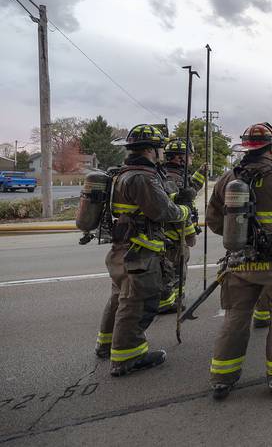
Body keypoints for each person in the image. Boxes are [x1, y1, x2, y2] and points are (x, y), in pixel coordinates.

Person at [206, 122, 272, 400]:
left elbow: (215, 222)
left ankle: (222, 378)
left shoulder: (228, 180)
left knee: (236, 316)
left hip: (239, 263)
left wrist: (240, 237)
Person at [94, 124, 193, 376]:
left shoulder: (122, 173)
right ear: (150, 150)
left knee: (118, 296)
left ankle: (106, 345)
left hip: (121, 249)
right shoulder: (142, 177)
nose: (163, 153)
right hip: (140, 251)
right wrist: (183, 209)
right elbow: (162, 212)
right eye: (160, 148)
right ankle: (128, 355)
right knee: (136, 302)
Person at [159, 138, 206, 314]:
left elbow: (191, 188)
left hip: (168, 234)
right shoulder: (173, 179)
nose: (191, 159)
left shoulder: (172, 174)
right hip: (174, 235)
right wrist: (189, 234)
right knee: (176, 269)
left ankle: (170, 300)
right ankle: (173, 302)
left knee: (171, 268)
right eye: (189, 156)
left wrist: (202, 172)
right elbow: (180, 211)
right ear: (180, 158)